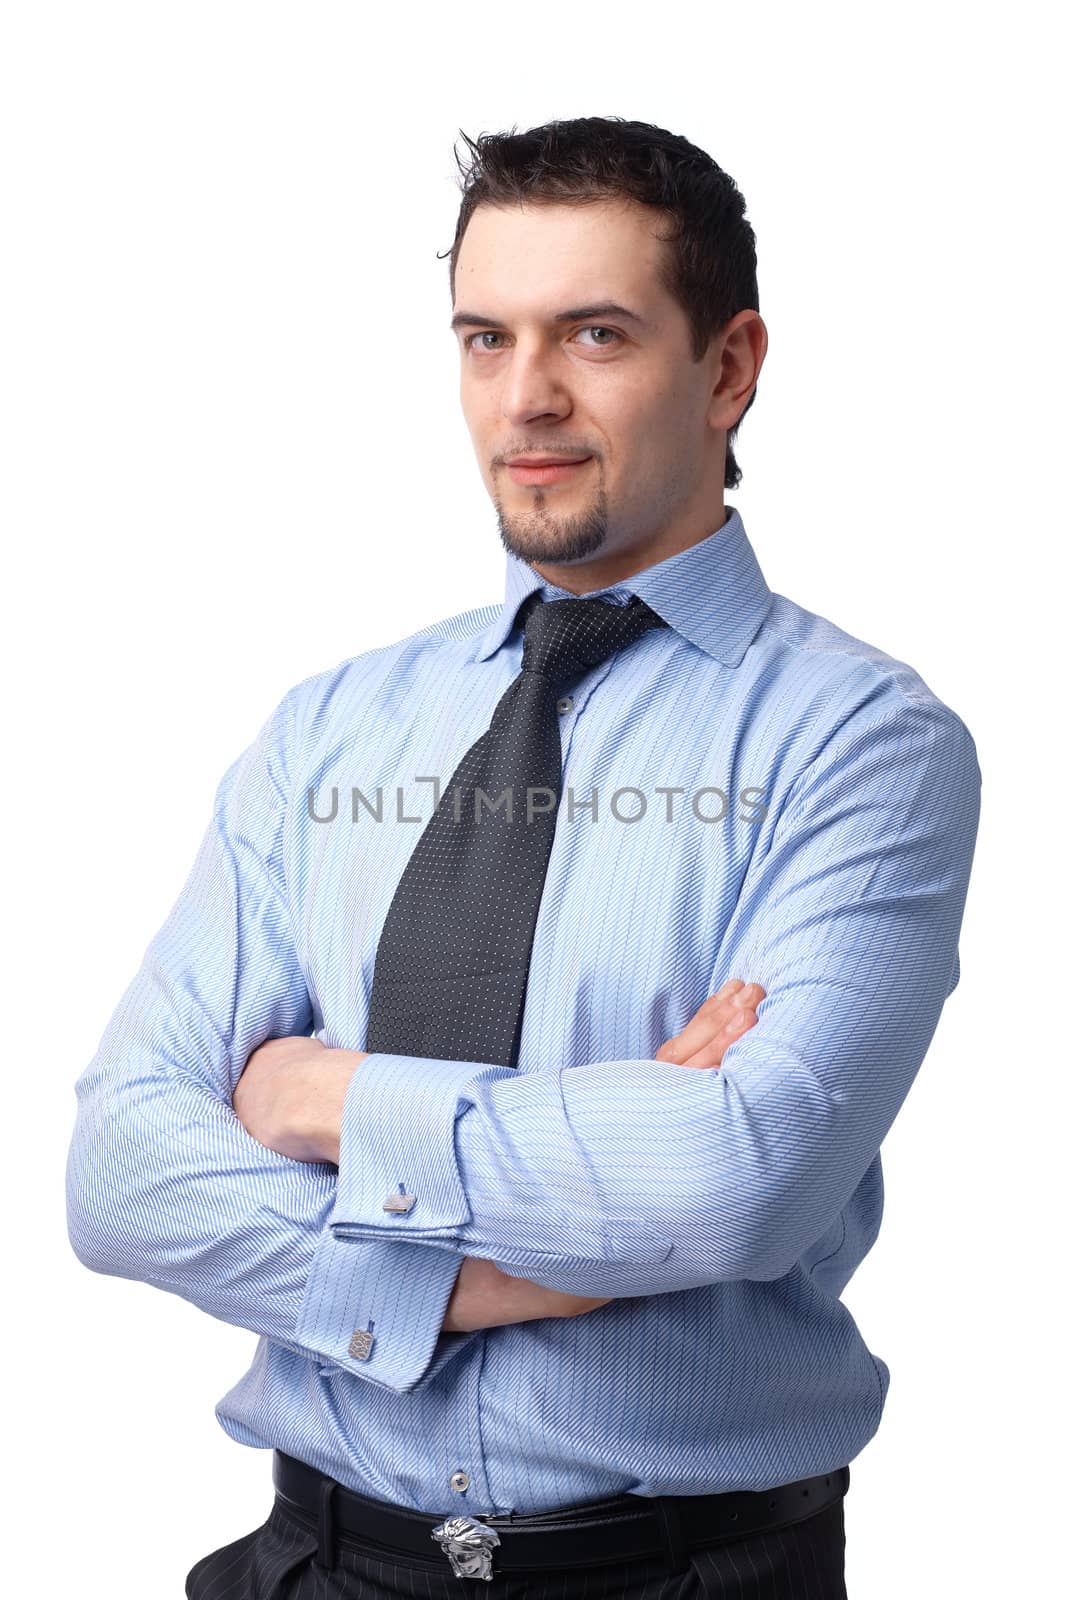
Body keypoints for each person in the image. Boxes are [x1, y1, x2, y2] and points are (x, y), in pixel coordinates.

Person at [66, 116, 981, 1600]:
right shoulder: (332, 732)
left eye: (596, 334)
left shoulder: (863, 744)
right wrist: (500, 1277)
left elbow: (733, 1185)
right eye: (485, 338)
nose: (527, 398)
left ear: (731, 368)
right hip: (317, 1561)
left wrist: (322, 1097)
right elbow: (119, 1173)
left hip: (681, 1577)